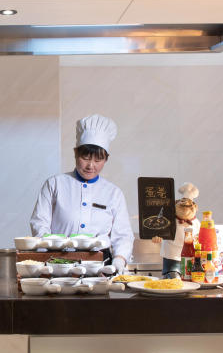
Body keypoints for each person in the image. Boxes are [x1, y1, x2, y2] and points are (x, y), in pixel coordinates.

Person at [30, 114, 135, 275]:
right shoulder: (55, 184)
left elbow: (123, 235)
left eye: (98, 160)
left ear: (106, 160)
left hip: (101, 264)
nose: (90, 166)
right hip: (60, 262)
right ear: (75, 153)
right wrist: (49, 254)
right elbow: (39, 223)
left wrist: (119, 261)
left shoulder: (114, 193)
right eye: (85, 157)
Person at [152, 182, 200, 279]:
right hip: (172, 257)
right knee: (174, 279)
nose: (185, 206)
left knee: (189, 279)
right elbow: (157, 230)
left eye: (189, 205)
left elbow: (202, 238)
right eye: (182, 203)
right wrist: (157, 237)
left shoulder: (197, 223)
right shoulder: (168, 220)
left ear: (195, 208)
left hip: (190, 258)